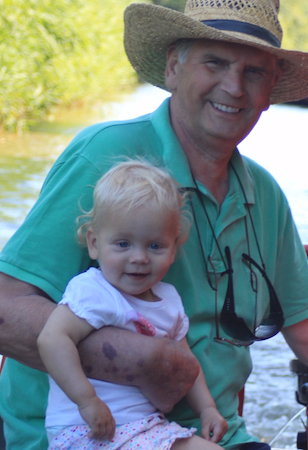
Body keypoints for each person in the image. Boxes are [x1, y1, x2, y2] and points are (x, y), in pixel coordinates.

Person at [0, 1, 308, 449]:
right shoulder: (104, 156)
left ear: (270, 93)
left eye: (254, 72)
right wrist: (146, 360)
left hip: (215, 433)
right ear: (172, 69)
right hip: (84, 436)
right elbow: (5, 308)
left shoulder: (263, 194)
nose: (234, 87)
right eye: (215, 62)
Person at [38, 161, 227, 449]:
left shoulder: (170, 301)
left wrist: (207, 409)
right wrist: (86, 400)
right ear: (94, 243)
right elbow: (52, 339)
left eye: (154, 246)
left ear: (174, 248)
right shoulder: (93, 290)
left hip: (145, 428)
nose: (139, 258)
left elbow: (188, 363)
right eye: (123, 244)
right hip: (86, 428)